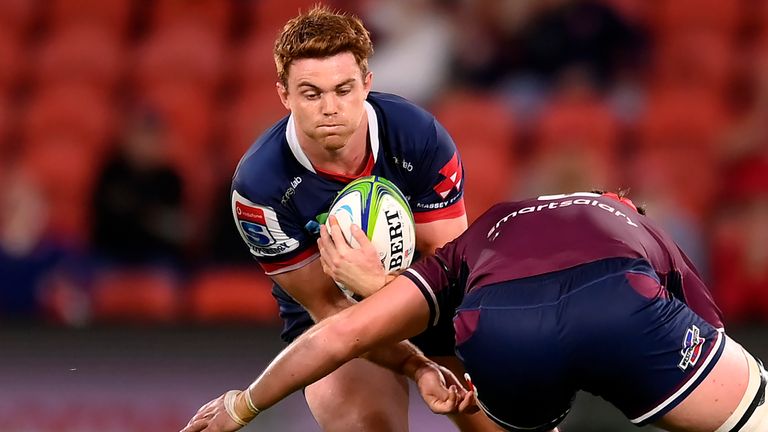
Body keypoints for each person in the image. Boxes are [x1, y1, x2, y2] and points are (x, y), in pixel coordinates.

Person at [182, 191, 767, 432]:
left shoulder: (483, 231)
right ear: (621, 202)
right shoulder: (641, 225)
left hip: (502, 330)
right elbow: (711, 331)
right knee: (754, 404)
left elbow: (345, 334)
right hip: (622, 302)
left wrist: (243, 404)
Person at [225, 5, 496, 431]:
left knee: (511, 423)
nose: (330, 108)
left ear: (367, 84)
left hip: (425, 299)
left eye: (344, 89)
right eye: (311, 94)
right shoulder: (259, 189)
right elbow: (329, 310)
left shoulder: (417, 136)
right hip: (336, 321)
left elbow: (450, 275)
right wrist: (419, 366)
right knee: (370, 426)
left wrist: (384, 290)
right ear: (284, 95)